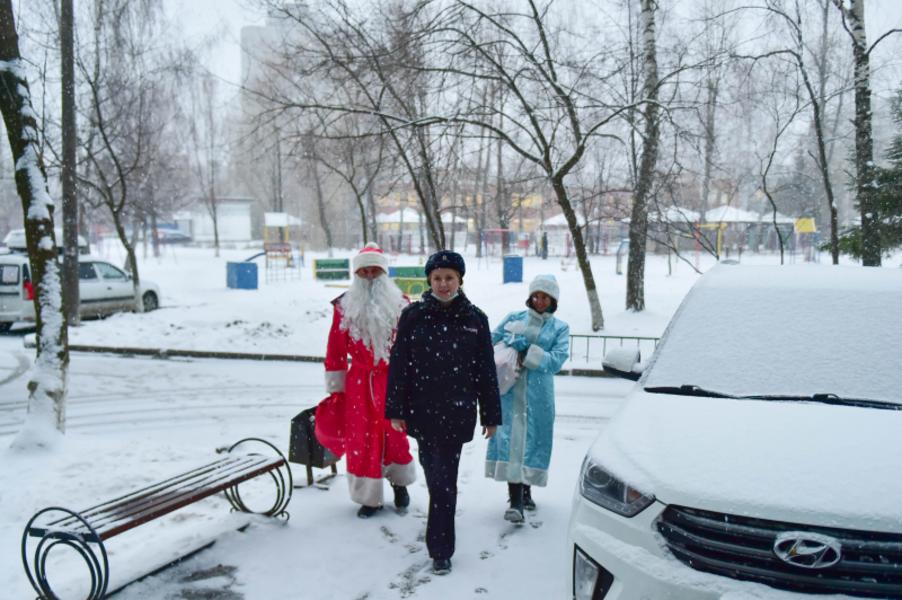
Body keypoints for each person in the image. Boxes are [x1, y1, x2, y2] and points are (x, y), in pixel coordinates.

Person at [385, 250, 502, 576]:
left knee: (444, 481)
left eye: (449, 277)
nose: (443, 284)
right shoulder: (413, 316)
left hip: (456, 412)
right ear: (429, 281)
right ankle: (441, 520)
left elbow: (485, 371)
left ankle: (440, 549)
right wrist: (395, 408)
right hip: (422, 412)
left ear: (460, 280)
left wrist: (491, 415)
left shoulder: (475, 319)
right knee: (434, 472)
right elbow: (399, 366)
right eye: (437, 278)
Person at [316, 242, 416, 518]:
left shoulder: (402, 305)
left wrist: (410, 381)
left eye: (375, 270)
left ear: (384, 273)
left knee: (395, 435)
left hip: (391, 380)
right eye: (364, 271)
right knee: (361, 440)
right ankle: (369, 498)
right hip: (358, 384)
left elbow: (411, 348)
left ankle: (399, 484)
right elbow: (335, 349)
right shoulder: (344, 307)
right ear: (356, 274)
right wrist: (337, 391)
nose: (370, 276)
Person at [485, 274, 569, 523]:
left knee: (533, 441)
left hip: (538, 395)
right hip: (509, 390)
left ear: (553, 300)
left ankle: (526, 490)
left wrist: (529, 353)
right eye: (536, 296)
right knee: (510, 441)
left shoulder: (560, 328)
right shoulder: (515, 317)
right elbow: (491, 340)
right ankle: (516, 501)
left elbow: (556, 360)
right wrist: (511, 341)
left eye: (545, 297)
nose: (539, 301)